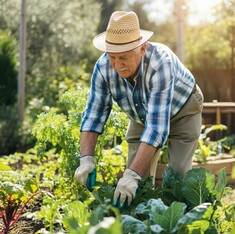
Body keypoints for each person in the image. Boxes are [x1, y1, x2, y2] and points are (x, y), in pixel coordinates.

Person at [75, 11, 204, 208]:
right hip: (141, 114)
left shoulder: (161, 63)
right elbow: (94, 114)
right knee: (137, 184)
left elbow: (156, 129)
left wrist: (131, 174)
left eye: (124, 57)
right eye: (113, 57)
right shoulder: (103, 67)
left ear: (142, 48)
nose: (117, 65)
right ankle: (141, 222)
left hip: (183, 108)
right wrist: (86, 158)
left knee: (177, 177)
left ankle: (179, 225)